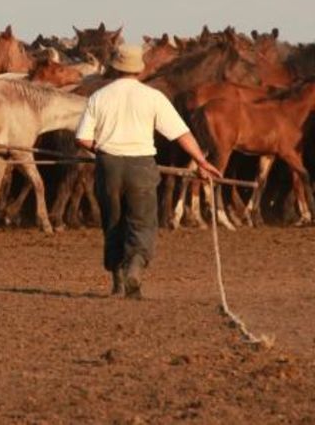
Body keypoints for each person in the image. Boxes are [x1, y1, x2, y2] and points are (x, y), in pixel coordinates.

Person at [75, 43, 221, 299]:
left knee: (113, 222)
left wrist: (104, 149)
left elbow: (82, 139)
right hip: (141, 164)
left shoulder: (99, 96)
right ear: (138, 70)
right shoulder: (152, 96)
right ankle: (135, 267)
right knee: (142, 223)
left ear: (115, 69)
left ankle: (118, 281)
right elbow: (180, 133)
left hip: (108, 163)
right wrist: (201, 161)